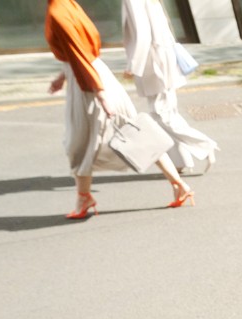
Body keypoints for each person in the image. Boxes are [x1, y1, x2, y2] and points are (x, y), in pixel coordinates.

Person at [46, 0, 194, 218]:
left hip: (88, 84)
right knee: (135, 132)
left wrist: (99, 93)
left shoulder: (58, 11)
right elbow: (82, 50)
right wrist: (63, 77)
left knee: (78, 142)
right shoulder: (69, 6)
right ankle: (179, 185)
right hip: (94, 75)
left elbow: (78, 56)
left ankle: (83, 198)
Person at [122, 0, 219, 174]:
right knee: (167, 113)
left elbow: (142, 34)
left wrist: (133, 65)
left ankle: (205, 145)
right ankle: (180, 161)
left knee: (162, 114)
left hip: (154, 62)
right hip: (161, 57)